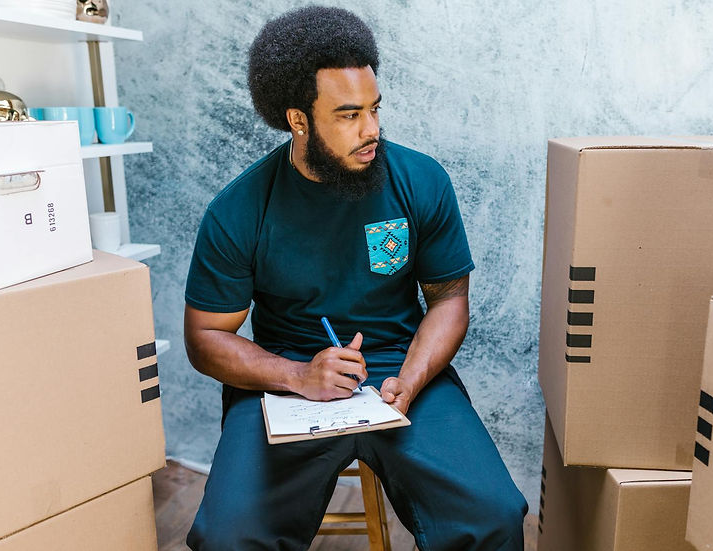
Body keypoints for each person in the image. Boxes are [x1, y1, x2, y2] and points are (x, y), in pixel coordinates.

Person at [184, 6, 527, 550]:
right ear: (299, 120)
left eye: (373, 109)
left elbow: (448, 301)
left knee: (495, 514)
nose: (371, 130)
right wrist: (299, 376)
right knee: (227, 536)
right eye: (347, 115)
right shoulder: (238, 210)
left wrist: (410, 382)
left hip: (400, 365)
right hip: (290, 373)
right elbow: (205, 339)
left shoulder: (421, 180)